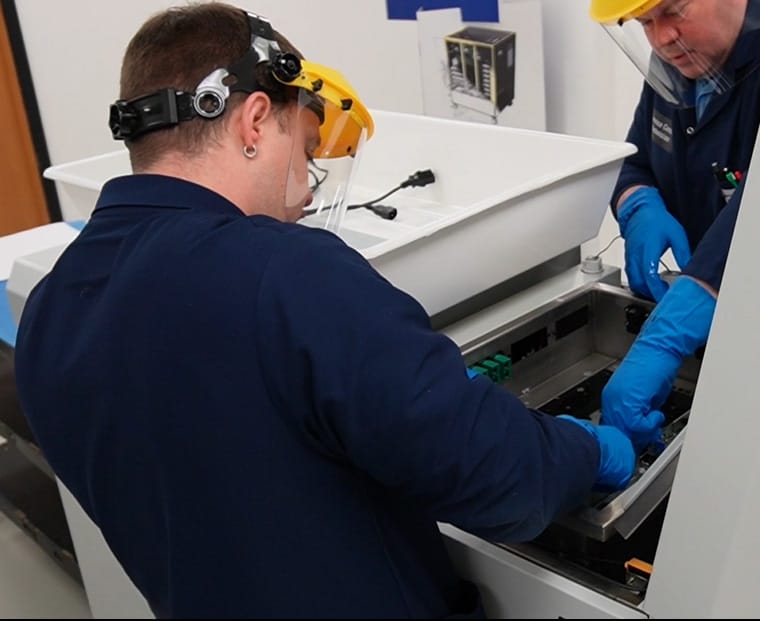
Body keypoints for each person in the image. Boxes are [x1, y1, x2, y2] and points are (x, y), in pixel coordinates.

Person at [13, 3, 635, 618]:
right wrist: (585, 451)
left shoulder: (47, 311)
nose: (308, 189)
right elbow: (503, 480)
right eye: (305, 149)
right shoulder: (288, 271)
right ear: (255, 121)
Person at [590, 0, 760, 449]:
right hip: (708, 327)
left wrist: (666, 336)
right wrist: (638, 204)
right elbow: (635, 160)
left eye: (674, 10)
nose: (661, 38)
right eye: (644, 22)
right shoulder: (682, 64)